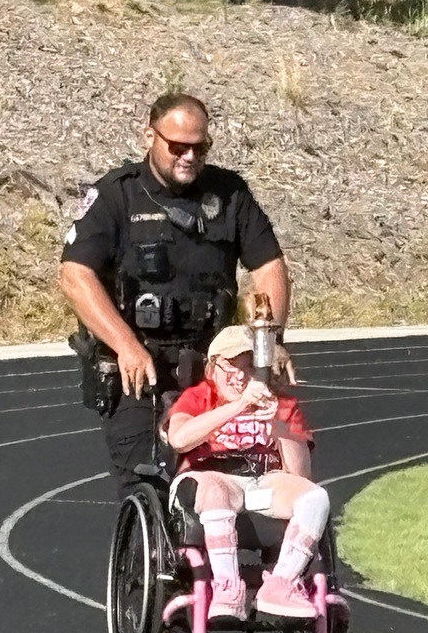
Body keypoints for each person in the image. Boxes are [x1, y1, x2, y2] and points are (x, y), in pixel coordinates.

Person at [60, 91, 292, 500]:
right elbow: (75, 275)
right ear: (149, 136)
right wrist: (126, 346)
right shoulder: (117, 196)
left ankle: (213, 561)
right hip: (137, 367)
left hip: (209, 366)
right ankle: (150, 560)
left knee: (228, 475)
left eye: (199, 147)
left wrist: (267, 342)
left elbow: (270, 267)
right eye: (177, 147)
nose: (189, 156)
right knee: (146, 481)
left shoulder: (230, 195)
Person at [166, 325, 331, 622]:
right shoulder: (198, 397)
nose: (239, 376)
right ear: (211, 368)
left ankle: (282, 583)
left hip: (261, 480)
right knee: (216, 490)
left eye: (248, 368)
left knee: (315, 497)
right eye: (230, 367)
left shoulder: (281, 403)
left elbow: (299, 475)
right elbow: (180, 439)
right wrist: (238, 406)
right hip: (209, 477)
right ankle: (227, 586)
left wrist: (278, 427)